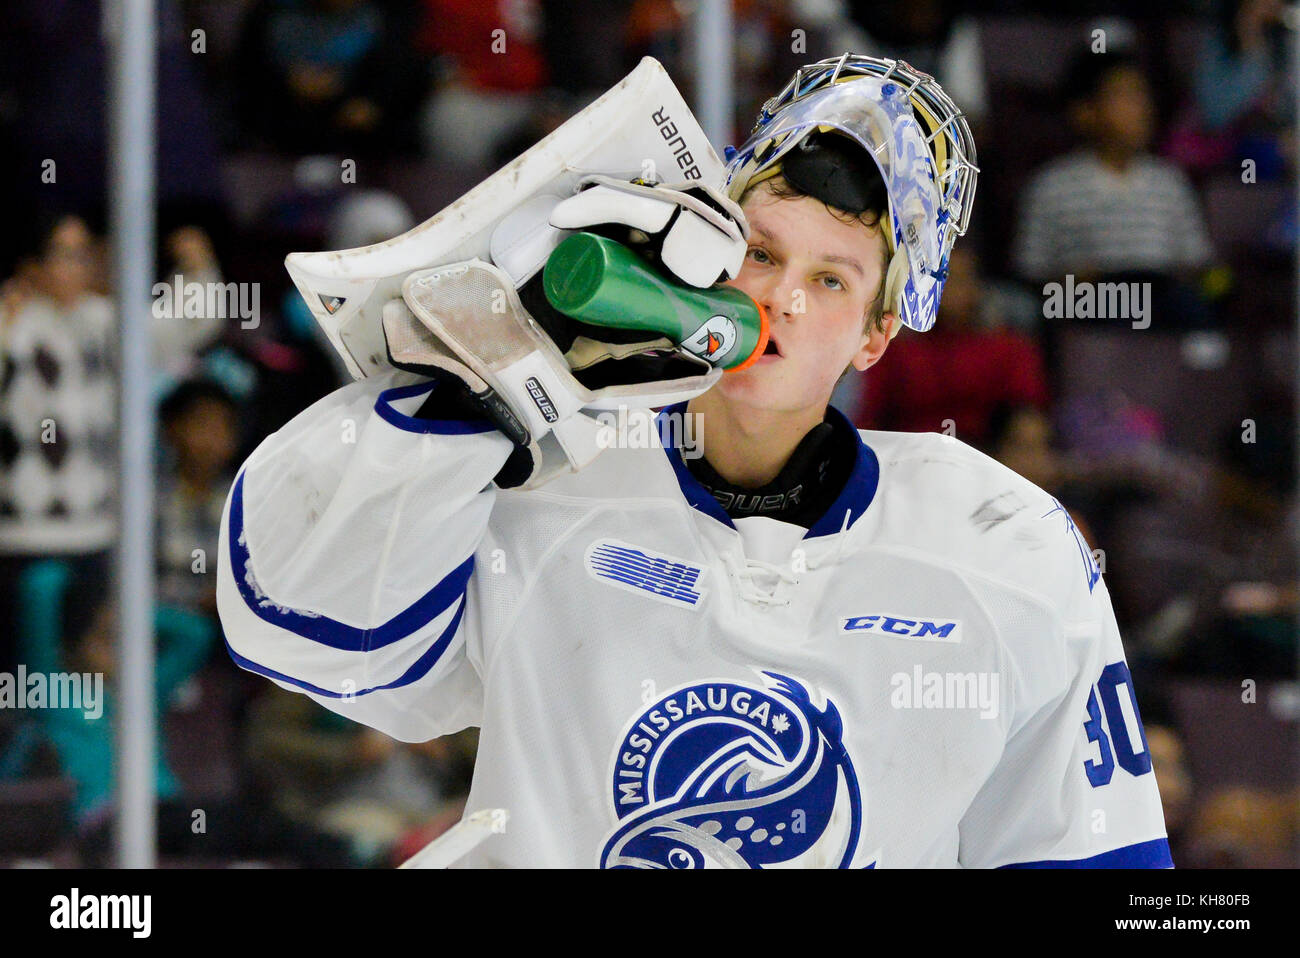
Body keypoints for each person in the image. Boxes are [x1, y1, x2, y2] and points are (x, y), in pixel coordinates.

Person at [217, 54, 1171, 868]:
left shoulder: (1004, 548)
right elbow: (294, 619)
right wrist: (487, 384)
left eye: (830, 280)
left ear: (877, 336)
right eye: (761, 252)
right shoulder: (542, 476)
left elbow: (1096, 857)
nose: (781, 302)